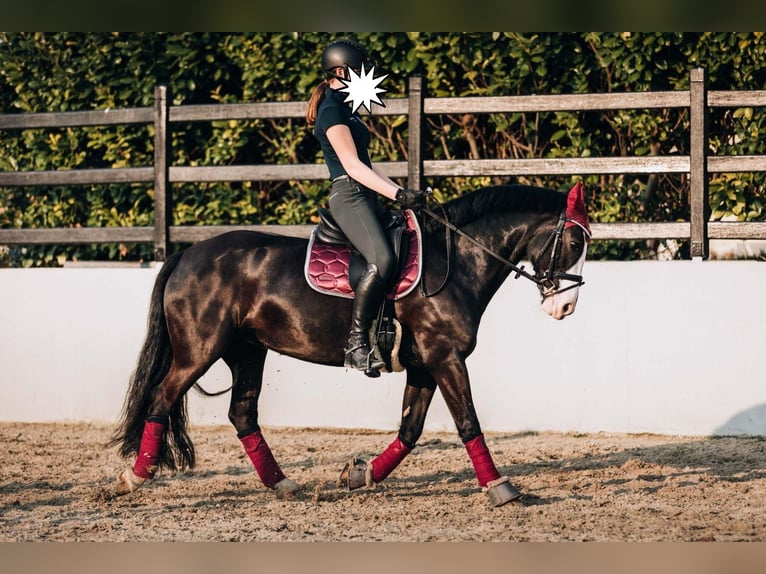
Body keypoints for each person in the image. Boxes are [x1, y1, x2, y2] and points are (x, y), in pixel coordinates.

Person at [305, 38, 426, 377]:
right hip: (349, 195)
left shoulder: (346, 111)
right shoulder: (331, 111)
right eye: (360, 70)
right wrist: (397, 194)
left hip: (365, 193)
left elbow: (368, 166)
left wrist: (401, 192)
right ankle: (357, 345)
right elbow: (352, 167)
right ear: (341, 71)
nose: (365, 76)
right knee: (382, 258)